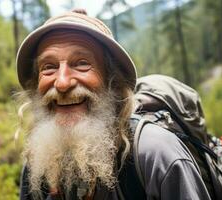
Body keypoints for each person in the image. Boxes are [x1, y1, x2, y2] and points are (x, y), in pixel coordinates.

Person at [15, 9, 211, 200]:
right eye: (48, 68)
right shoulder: (38, 165)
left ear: (113, 82)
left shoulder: (156, 156)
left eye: (81, 63)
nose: (62, 83)